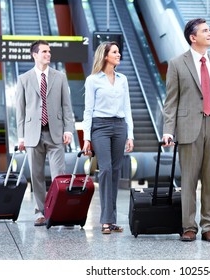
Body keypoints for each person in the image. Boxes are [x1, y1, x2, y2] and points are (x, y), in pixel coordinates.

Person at [162, 18, 210, 242]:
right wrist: (168, 130)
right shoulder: (176, 64)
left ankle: (209, 226)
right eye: (205, 31)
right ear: (193, 37)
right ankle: (188, 226)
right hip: (188, 127)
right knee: (189, 180)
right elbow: (171, 100)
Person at [15, 40, 74, 226]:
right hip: (33, 134)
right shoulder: (24, 79)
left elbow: (67, 107)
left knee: (60, 175)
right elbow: (20, 110)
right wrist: (21, 136)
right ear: (35, 55)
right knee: (37, 176)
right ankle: (41, 212)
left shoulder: (60, 77)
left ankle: (60, 212)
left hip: (55, 132)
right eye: (44, 51)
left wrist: (69, 130)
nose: (48, 54)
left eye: (49, 51)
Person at [82, 41, 134, 234]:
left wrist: (130, 134)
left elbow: (127, 108)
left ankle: (111, 220)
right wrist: (87, 137)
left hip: (120, 126)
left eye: (119, 52)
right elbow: (88, 111)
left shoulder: (123, 79)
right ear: (105, 56)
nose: (118, 54)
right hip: (100, 127)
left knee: (115, 171)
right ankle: (105, 219)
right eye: (114, 52)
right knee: (105, 169)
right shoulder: (93, 80)